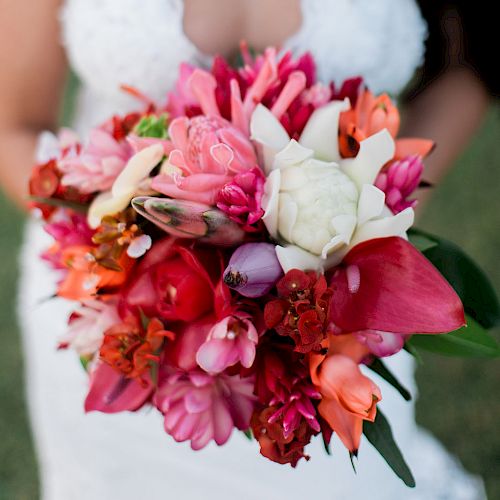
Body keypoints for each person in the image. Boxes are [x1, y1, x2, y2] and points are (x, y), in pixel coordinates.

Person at [0, 1, 493, 498]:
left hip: (331, 321)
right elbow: (13, 127)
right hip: (112, 310)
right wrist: (123, 252)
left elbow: (474, 59)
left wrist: (371, 219)